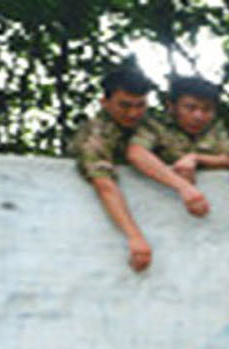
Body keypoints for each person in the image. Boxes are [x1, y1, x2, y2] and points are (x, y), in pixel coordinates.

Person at [72, 66, 206, 272]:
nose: (133, 113)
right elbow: (104, 184)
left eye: (140, 105)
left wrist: (190, 162)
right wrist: (135, 237)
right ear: (104, 103)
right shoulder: (95, 137)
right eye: (124, 106)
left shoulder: (153, 125)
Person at [128, 75, 229, 197]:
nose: (198, 116)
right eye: (190, 108)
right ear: (171, 107)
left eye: (207, 109)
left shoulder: (215, 130)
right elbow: (136, 153)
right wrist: (183, 187)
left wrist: (197, 158)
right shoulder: (156, 127)